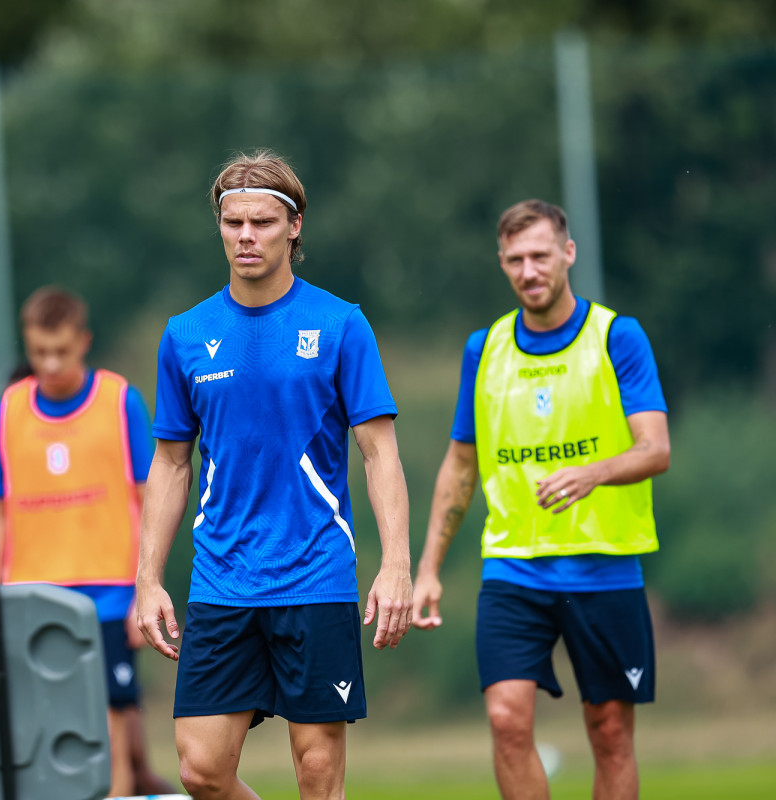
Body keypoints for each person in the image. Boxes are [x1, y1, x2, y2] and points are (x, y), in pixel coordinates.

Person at [135, 150, 413, 800]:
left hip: (315, 576)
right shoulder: (185, 334)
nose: (246, 236)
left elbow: (380, 453)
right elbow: (171, 463)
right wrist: (147, 577)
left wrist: (396, 562)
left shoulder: (341, 325)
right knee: (201, 770)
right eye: (233, 223)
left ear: (294, 227)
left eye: (262, 222)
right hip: (221, 579)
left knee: (317, 772)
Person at [411, 199, 670, 800]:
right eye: (515, 259)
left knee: (609, 730)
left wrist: (593, 474)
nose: (528, 271)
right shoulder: (485, 349)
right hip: (514, 567)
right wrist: (428, 568)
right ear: (502, 263)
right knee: (506, 719)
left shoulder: (618, 337)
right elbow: (461, 464)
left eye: (540, 256)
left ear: (568, 253)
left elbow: (655, 449)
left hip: (604, 566)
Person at [0, 286, 177, 797]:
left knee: (110, 719)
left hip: (109, 594)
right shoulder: (8, 409)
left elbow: (149, 499)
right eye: (39, 352)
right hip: (29, 594)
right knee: (36, 723)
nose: (50, 364)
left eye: (60, 350)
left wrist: (146, 589)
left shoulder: (119, 401)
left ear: (83, 341)